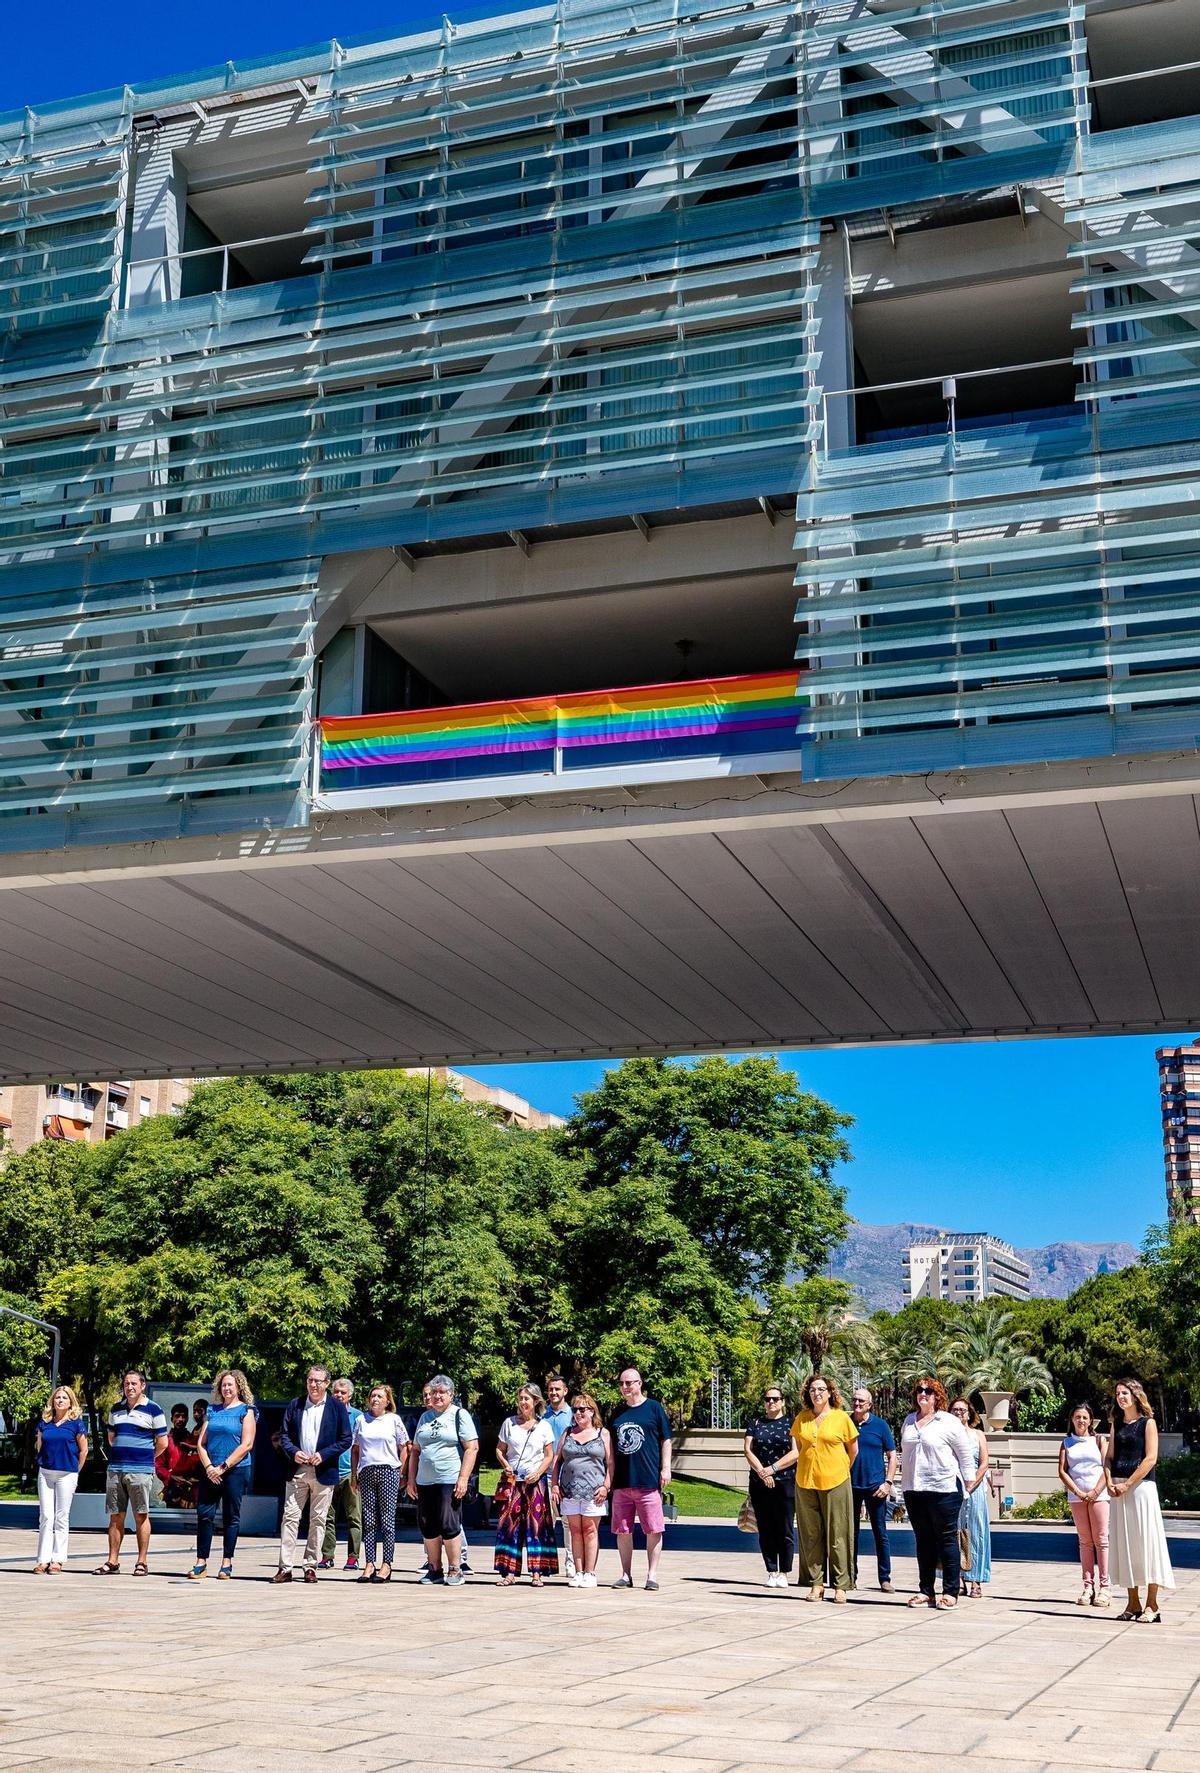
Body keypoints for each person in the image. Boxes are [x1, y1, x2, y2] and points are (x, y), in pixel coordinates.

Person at [272, 1364, 353, 1584]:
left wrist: (324, 1454)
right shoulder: (295, 1405)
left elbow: (346, 1439)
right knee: (289, 1518)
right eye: (310, 1380)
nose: (313, 1385)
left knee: (318, 1520)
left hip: (323, 1471)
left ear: (327, 1383)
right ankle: (285, 1567)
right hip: (297, 1469)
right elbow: (285, 1435)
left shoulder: (336, 1407)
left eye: (318, 1381)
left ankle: (310, 1566)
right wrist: (294, 1452)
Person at [900, 1376, 974, 1610]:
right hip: (914, 1489)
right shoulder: (909, 1420)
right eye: (920, 1390)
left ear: (937, 1396)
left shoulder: (948, 1421)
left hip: (944, 1488)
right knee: (923, 1541)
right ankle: (926, 1591)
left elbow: (964, 1455)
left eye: (929, 1391)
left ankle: (951, 1591)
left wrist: (968, 1485)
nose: (923, 1394)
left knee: (946, 1540)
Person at [1105, 1377, 1174, 1623]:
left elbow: (1150, 1459)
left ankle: (1152, 1605)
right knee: (1125, 1546)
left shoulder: (1148, 1423)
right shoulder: (1116, 1424)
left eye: (1124, 1393)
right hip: (1118, 1490)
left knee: (1147, 1544)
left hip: (1141, 1489)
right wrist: (1110, 1482)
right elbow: (1109, 1458)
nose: (1120, 1397)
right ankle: (1132, 1603)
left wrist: (1127, 1483)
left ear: (1135, 1395)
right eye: (1117, 1394)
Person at [407, 1373, 478, 1588]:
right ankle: (434, 1568)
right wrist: (411, 1480)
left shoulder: (459, 1415)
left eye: (441, 1392)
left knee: (449, 1524)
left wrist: (463, 1478)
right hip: (425, 1481)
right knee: (427, 1525)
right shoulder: (424, 1418)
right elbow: (416, 1451)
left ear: (451, 1395)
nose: (437, 1396)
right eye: (434, 1392)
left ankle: (455, 1568)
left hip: (449, 1479)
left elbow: (471, 1447)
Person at [791, 1375, 858, 1602]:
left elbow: (853, 1450)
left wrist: (840, 1470)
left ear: (830, 1392)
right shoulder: (802, 1418)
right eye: (812, 1389)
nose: (816, 1393)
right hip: (805, 1482)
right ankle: (816, 1584)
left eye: (821, 1389)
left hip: (836, 1482)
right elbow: (799, 1449)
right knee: (811, 1535)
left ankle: (841, 1585)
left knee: (838, 1534)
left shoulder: (841, 1418)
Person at [95, 1369, 169, 1577]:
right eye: (127, 1383)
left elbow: (162, 1443)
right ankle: (112, 1561)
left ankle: (142, 1562)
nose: (130, 1387)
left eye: (134, 1383)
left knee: (141, 1516)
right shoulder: (116, 1409)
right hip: (116, 1469)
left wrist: (145, 1457)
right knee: (116, 1516)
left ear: (142, 1385)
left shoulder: (154, 1410)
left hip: (141, 1471)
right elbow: (111, 1438)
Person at [190, 1369, 257, 1580]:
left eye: (231, 1385)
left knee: (231, 1517)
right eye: (223, 1385)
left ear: (239, 1387)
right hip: (211, 1471)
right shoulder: (213, 1410)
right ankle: (201, 1562)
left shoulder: (247, 1411)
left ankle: (227, 1562)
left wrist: (223, 1467)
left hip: (235, 1470)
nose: (226, 1388)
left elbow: (247, 1444)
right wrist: (210, 1467)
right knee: (204, 1514)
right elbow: (201, 1443)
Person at [610, 1366, 672, 1591]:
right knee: (623, 1530)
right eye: (622, 1383)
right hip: (622, 1483)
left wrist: (666, 1468)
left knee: (653, 1529)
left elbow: (666, 1440)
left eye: (629, 1383)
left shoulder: (654, 1408)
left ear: (640, 1383)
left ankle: (652, 1575)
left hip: (648, 1481)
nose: (625, 1387)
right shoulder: (617, 1413)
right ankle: (625, 1574)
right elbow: (610, 1448)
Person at [495, 1383, 559, 1587]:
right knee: (510, 1526)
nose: (523, 1402)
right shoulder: (509, 1423)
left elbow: (549, 1455)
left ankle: (537, 1573)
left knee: (536, 1526)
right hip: (514, 1482)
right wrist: (506, 1465)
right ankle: (509, 1572)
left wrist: (539, 1472)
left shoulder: (544, 1426)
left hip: (535, 1481)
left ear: (536, 1401)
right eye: (521, 1398)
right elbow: (499, 1450)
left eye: (527, 1398)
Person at [552, 1393, 613, 1589]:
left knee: (590, 1531)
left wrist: (606, 1486)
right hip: (569, 1491)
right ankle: (578, 1572)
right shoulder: (568, 1432)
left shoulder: (602, 1433)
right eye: (575, 1410)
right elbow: (557, 1461)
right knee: (575, 1532)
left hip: (594, 1493)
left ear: (592, 1411)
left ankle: (590, 1572)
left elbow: (610, 1463)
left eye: (582, 1409)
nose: (578, 1413)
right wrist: (554, 1484)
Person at [350, 1382, 409, 1583]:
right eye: (372, 1395)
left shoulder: (394, 1420)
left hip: (388, 1470)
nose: (375, 1399)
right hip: (366, 1470)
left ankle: (387, 1563)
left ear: (387, 1401)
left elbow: (404, 1447)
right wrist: (353, 1475)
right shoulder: (361, 1420)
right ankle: (369, 1563)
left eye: (379, 1396)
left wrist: (401, 1472)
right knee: (368, 1518)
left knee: (387, 1519)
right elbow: (355, 1449)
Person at [742, 1385, 797, 1588]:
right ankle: (772, 1570)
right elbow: (748, 1450)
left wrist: (771, 1470)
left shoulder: (791, 1423)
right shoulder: (755, 1423)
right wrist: (762, 1472)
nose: (771, 1402)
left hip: (785, 1482)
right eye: (767, 1399)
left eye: (775, 1399)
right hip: (759, 1483)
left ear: (782, 1401)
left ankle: (784, 1572)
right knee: (765, 1528)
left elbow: (795, 1453)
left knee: (784, 1528)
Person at [1059, 1402, 1111, 1608]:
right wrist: (1078, 1492)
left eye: (1085, 1417)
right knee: (1085, 1542)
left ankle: (1105, 1588)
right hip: (1077, 1497)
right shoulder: (1066, 1443)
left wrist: (1096, 1491)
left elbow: (1107, 1466)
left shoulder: (1099, 1440)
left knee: (1101, 1540)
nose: (1081, 1421)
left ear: (1091, 1421)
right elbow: (1063, 1471)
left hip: (1099, 1495)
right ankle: (1087, 1586)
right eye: (1077, 1417)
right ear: (1072, 1420)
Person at [34, 1384, 88, 1573]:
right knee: (46, 1516)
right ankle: (43, 1560)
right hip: (46, 1473)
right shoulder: (44, 1423)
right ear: (52, 1401)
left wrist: (75, 1470)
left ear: (70, 1402)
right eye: (57, 1397)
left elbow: (84, 1450)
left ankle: (57, 1559)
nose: (60, 1400)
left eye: (64, 1398)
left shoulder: (76, 1424)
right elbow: (39, 1446)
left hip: (67, 1473)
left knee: (61, 1517)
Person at [849, 1385, 898, 1593]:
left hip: (876, 1487)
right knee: (851, 1534)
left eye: (861, 1401)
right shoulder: (845, 1423)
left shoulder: (880, 1425)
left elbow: (892, 1455)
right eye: (855, 1400)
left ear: (869, 1404)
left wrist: (887, 1483)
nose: (857, 1403)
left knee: (880, 1533)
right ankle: (850, 1577)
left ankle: (884, 1578)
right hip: (849, 1486)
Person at [320, 1377, 364, 1571]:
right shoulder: (323, 1413)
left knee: (354, 1516)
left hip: (350, 1472)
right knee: (326, 1517)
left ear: (350, 1395)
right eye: (336, 1391)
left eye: (343, 1392)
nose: (338, 1395)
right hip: (328, 1471)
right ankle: (327, 1556)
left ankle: (353, 1557)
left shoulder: (358, 1416)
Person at [950, 1398, 991, 1599]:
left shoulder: (978, 1435)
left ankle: (975, 1579)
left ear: (969, 1414)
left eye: (962, 1410)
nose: (959, 1413)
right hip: (952, 1488)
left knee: (975, 1533)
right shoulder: (947, 1434)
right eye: (955, 1409)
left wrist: (971, 1483)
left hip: (975, 1491)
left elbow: (984, 1463)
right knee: (955, 1534)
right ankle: (957, 1578)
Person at [544, 1373, 575, 1578]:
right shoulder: (542, 1415)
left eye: (558, 1389)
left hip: (569, 1475)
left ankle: (570, 1561)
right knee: (547, 1519)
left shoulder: (574, 1415)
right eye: (551, 1389)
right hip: (545, 1475)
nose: (554, 1392)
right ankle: (546, 1562)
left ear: (565, 1391)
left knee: (568, 1521)